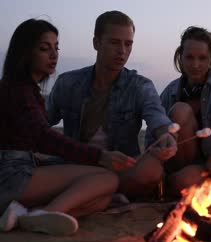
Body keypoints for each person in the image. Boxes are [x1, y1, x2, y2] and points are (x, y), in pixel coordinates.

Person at [0, 19, 122, 236]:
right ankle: (43, 214)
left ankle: (23, 215)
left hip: (13, 178)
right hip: (10, 179)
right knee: (107, 178)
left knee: (101, 200)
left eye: (56, 47)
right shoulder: (16, 89)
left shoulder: (27, 89)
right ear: (25, 52)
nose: (53, 54)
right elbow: (44, 137)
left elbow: (38, 136)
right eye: (44, 48)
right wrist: (99, 156)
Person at [47, 11, 177, 199]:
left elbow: (157, 117)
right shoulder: (67, 82)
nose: (122, 51)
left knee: (151, 170)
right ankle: (99, 194)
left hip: (121, 170)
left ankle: (96, 193)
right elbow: (42, 124)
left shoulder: (140, 85)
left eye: (128, 44)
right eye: (115, 42)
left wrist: (166, 136)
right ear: (96, 43)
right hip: (76, 167)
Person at [149, 26, 211, 195]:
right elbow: (154, 131)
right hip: (179, 162)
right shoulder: (170, 92)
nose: (195, 65)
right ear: (180, 57)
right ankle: (175, 183)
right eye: (189, 58)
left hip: (210, 159)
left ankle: (171, 186)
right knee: (180, 110)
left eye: (202, 58)